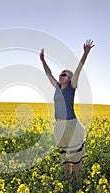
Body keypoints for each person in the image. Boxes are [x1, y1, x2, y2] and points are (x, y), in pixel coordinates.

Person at [40, 40, 95, 185]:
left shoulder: (71, 87)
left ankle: (79, 183)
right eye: (60, 74)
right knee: (64, 157)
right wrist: (43, 60)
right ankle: (67, 182)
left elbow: (79, 68)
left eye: (64, 74)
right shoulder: (57, 87)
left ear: (70, 78)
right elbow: (48, 73)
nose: (61, 76)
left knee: (75, 157)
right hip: (59, 126)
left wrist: (85, 53)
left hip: (70, 125)